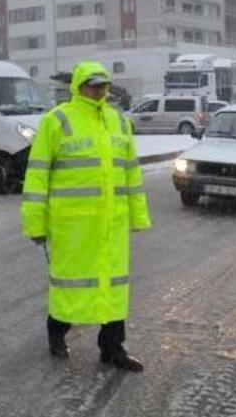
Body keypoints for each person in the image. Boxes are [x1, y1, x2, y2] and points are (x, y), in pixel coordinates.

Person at [21, 61, 151, 372]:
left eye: (102, 85)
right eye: (92, 85)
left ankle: (112, 347)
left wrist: (138, 215)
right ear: (78, 86)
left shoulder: (118, 122)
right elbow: (37, 176)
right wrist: (35, 222)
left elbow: (130, 172)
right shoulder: (57, 121)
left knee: (113, 285)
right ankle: (56, 332)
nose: (98, 90)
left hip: (112, 225)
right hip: (73, 228)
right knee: (71, 285)